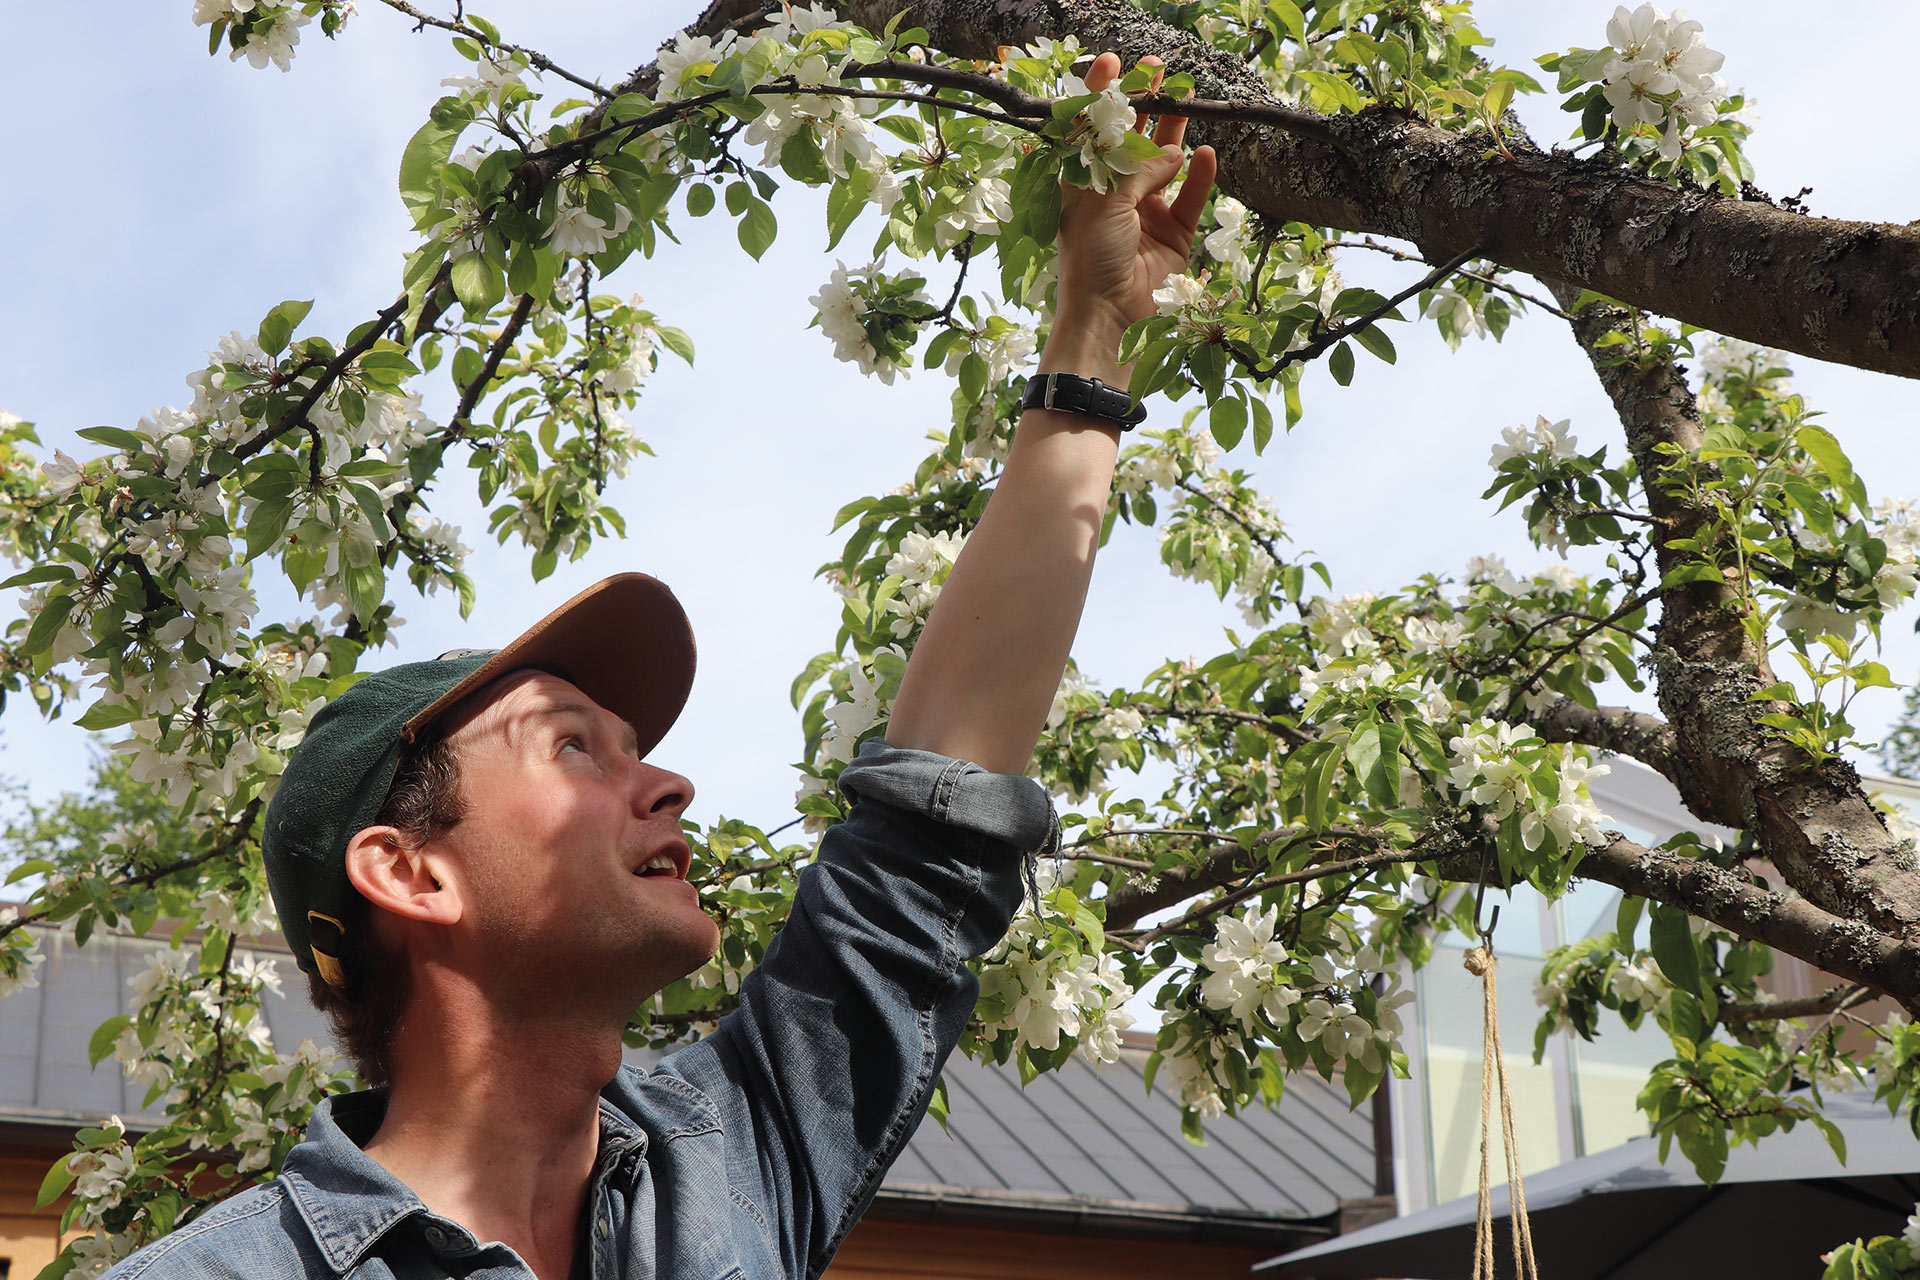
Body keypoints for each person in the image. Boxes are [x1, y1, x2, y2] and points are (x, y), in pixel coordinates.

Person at [102, 50, 1218, 1280]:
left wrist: (1093, 336)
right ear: (409, 870)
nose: (670, 784)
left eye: (637, 748)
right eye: (576, 743)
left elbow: (934, 827)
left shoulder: (724, 1158)